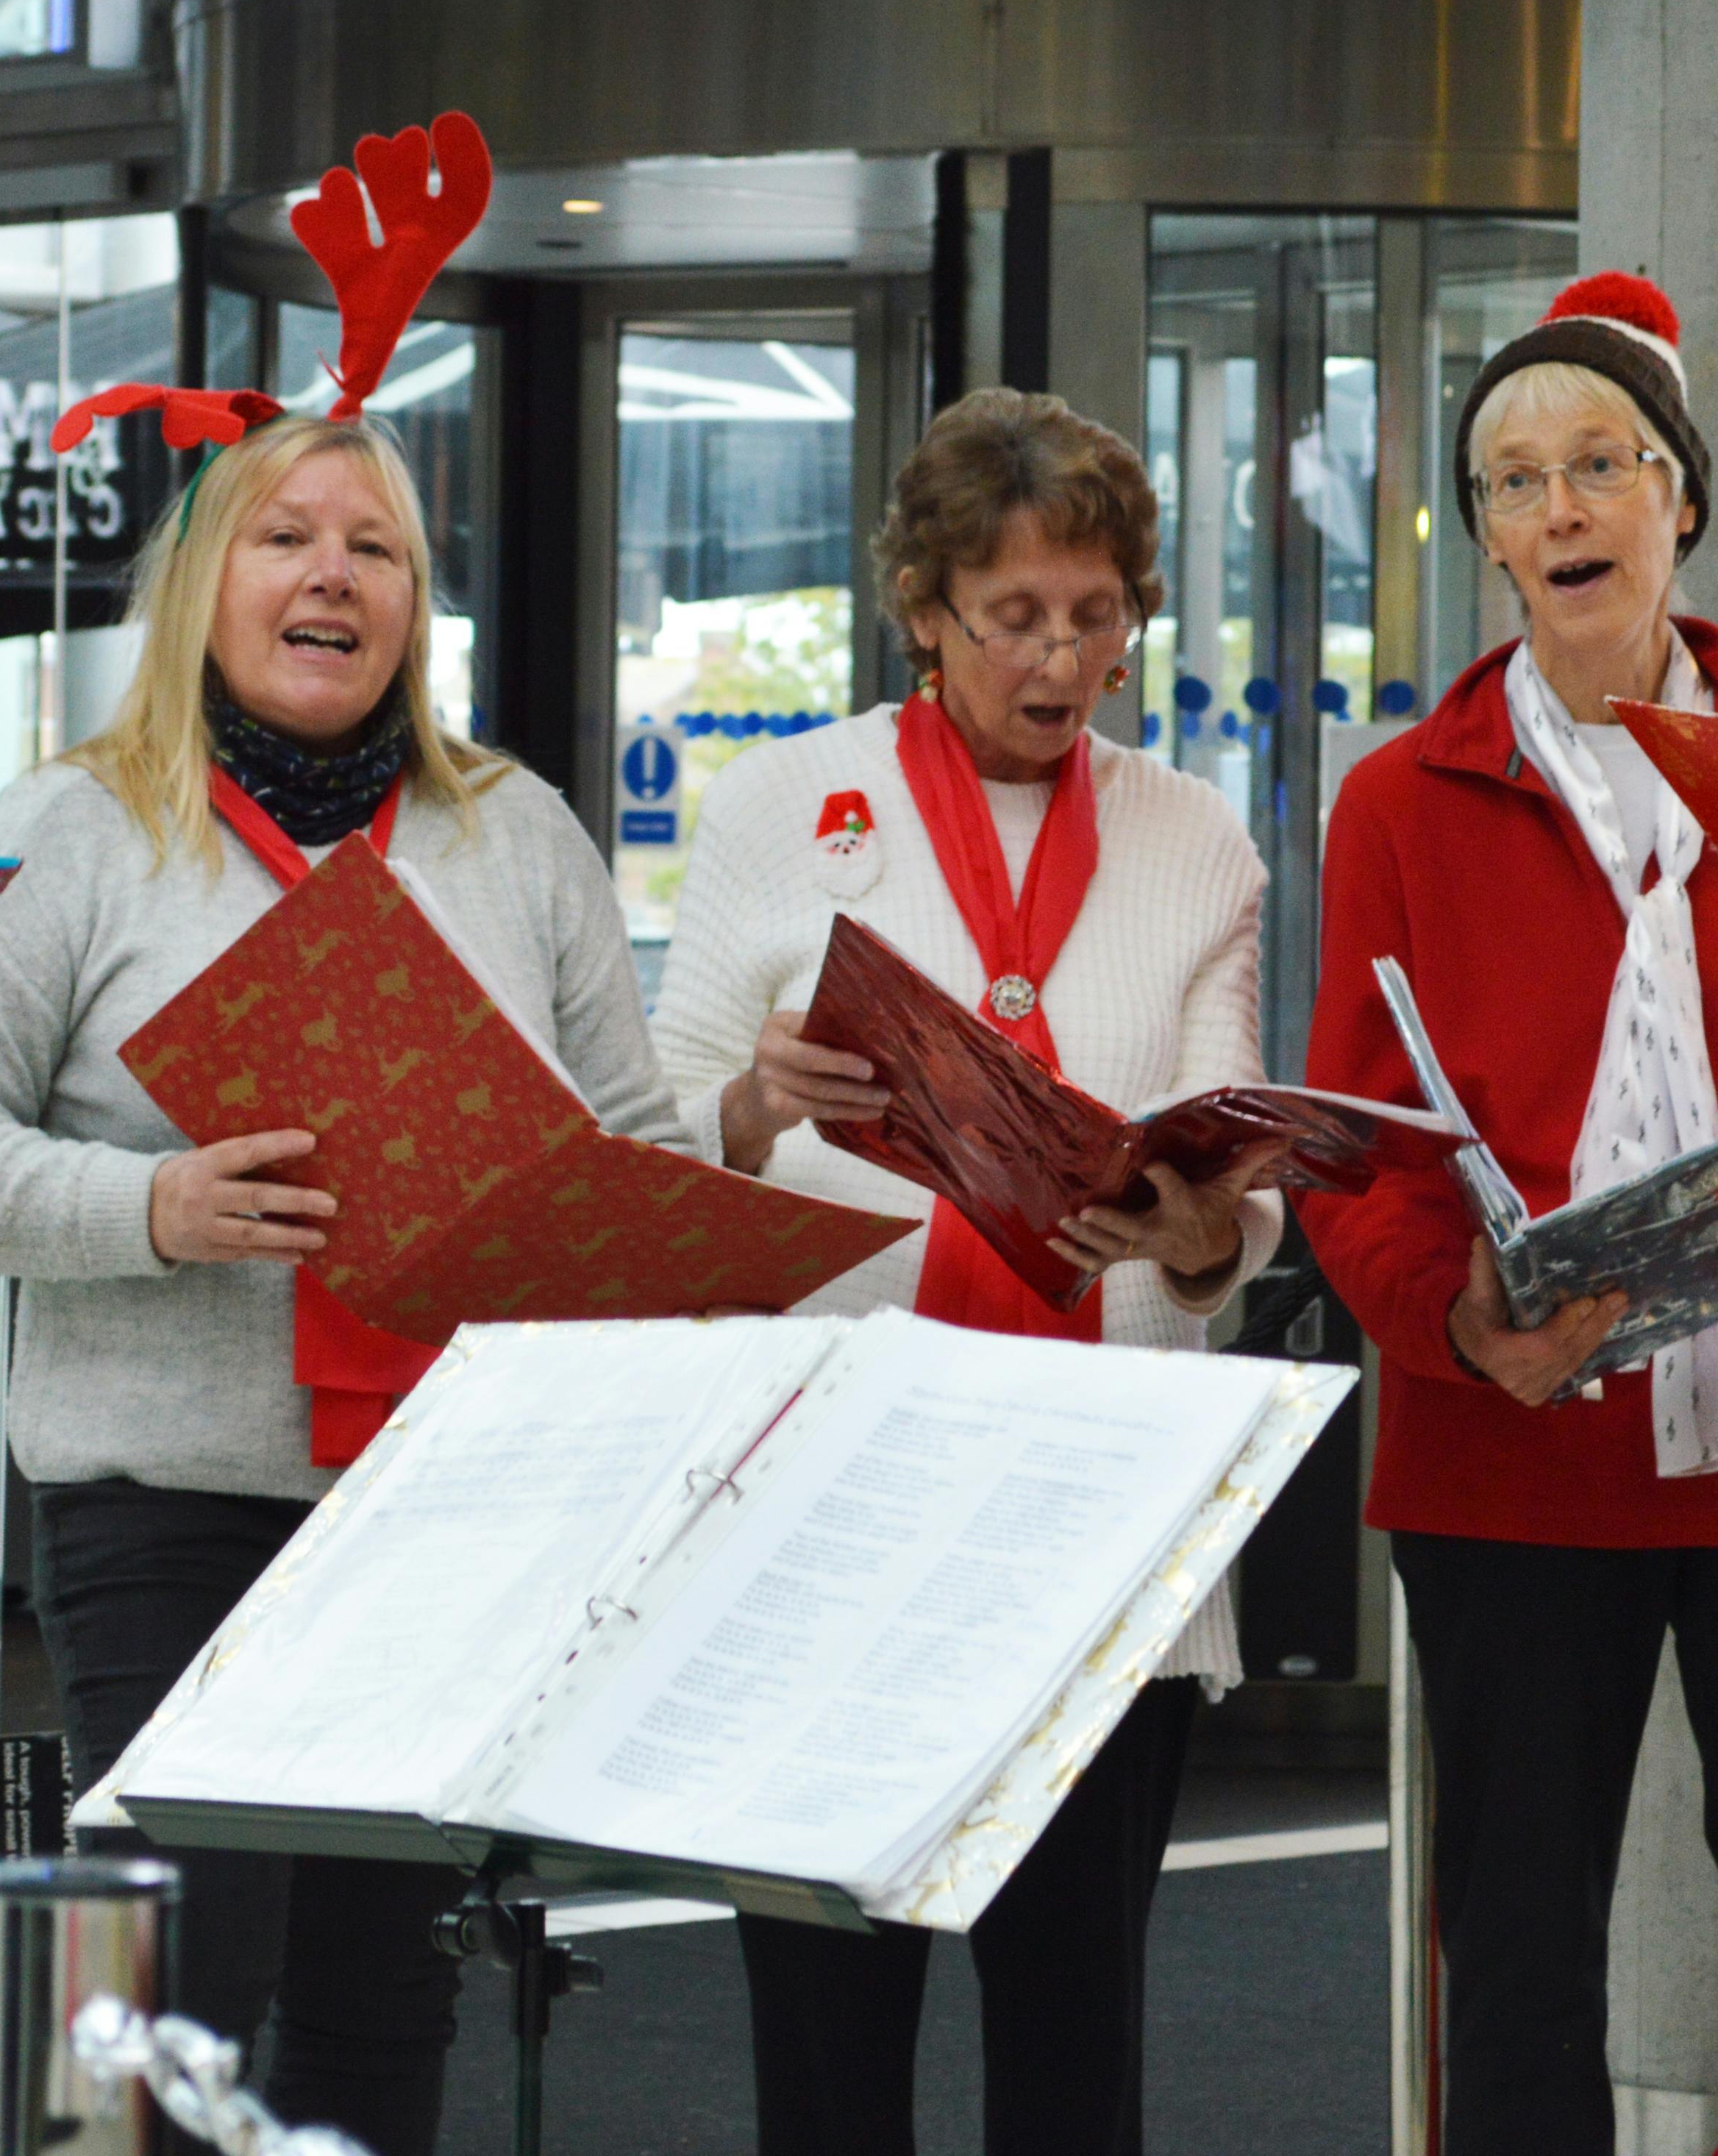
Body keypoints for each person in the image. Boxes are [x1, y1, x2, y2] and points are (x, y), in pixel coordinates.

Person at [0, 399, 685, 2156]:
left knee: (387, 2001)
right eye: (287, 535)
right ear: (200, 581)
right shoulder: (74, 830)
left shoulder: (515, 832)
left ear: (415, 603)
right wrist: (151, 1204)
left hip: (447, 1507)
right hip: (171, 1506)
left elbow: (629, 1153)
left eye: (375, 546)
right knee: (175, 1996)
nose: (333, 573)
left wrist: (617, 1224)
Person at [1297, 274, 1718, 2156]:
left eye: (1600, 461)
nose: (1560, 505)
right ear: (1489, 538)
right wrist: (1452, 1318)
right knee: (1513, 1972)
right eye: (1512, 479)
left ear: (1679, 498)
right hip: (1509, 1444)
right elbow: (1354, 1151)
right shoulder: (1399, 803)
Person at [650, 385, 1280, 2156]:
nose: (1061, 654)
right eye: (1014, 614)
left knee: (1075, 2046)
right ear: (923, 607)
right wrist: (757, 1098)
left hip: (1101, 1506)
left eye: (1097, 613)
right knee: (831, 2048)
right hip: (834, 1497)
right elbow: (650, 1130)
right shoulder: (786, 803)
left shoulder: (1195, 838)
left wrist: (1202, 1227)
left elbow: (1240, 1189)